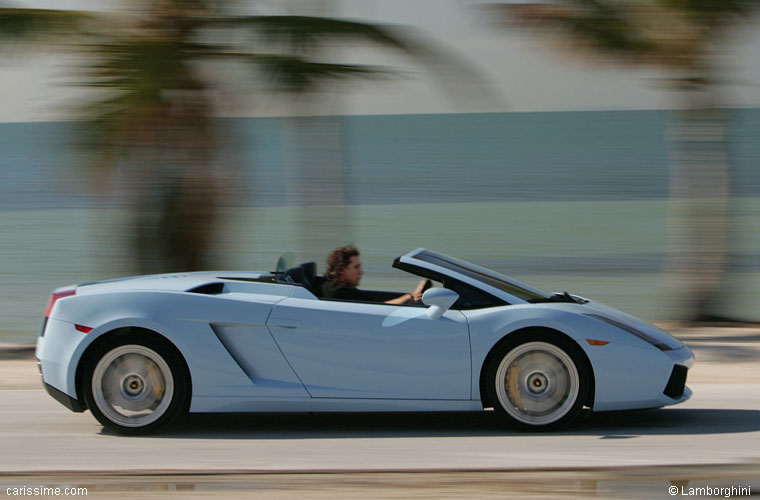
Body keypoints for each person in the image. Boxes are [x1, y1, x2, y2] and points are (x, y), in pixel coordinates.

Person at [323, 245, 429, 304]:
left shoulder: (340, 287)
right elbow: (378, 309)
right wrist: (409, 297)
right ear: (342, 270)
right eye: (356, 267)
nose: (361, 272)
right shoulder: (338, 294)